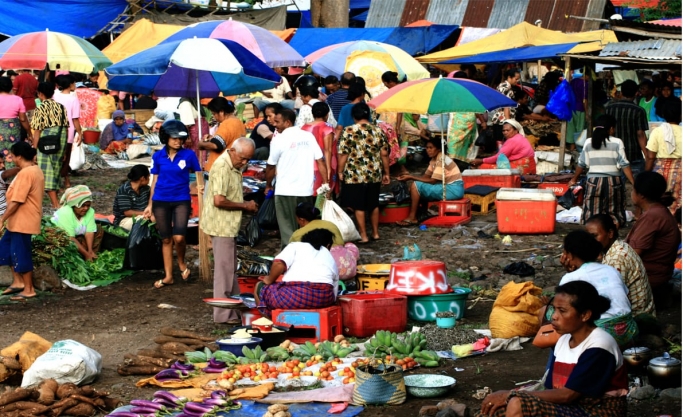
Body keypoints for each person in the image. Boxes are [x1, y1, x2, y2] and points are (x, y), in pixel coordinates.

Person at [480, 280, 627, 417]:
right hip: (573, 406)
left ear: (585, 315)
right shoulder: (563, 340)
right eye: (554, 309)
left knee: (518, 404)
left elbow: (567, 395)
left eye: (562, 311)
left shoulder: (600, 345)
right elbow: (551, 388)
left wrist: (511, 394)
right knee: (495, 409)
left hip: (598, 410)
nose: (554, 316)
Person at [201, 138, 259, 324]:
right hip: (221, 225)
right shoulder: (222, 167)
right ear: (232, 151)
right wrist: (245, 205)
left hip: (228, 225)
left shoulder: (234, 165)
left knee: (230, 269)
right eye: (242, 158)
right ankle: (223, 314)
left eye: (248, 160)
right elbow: (219, 200)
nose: (244, 163)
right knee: (224, 271)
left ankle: (232, 308)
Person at [144, 120, 202, 289]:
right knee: (166, 239)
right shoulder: (158, 156)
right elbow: (154, 180)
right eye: (174, 138)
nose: (178, 141)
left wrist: (200, 187)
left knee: (179, 237)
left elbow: (198, 174)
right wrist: (149, 204)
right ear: (166, 138)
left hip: (181, 200)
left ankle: (182, 262)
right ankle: (169, 276)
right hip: (160, 200)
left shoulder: (189, 155)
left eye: (180, 138)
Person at [558, 230, 637, 348]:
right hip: (629, 330)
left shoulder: (569, 278)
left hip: (602, 334)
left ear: (569, 254)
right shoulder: (611, 270)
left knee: (554, 314)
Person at [266, 108, 328, 249]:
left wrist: (268, 185)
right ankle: (307, 252)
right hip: (305, 190)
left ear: (287, 122)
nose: (274, 124)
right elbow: (321, 160)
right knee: (306, 227)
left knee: (287, 227)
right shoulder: (308, 136)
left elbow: (270, 166)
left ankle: (289, 256)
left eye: (277, 122)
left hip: (285, 191)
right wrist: (325, 183)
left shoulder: (279, 140)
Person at [626, 171, 680, 308]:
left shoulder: (653, 216)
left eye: (633, 189)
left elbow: (632, 255)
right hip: (658, 276)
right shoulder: (657, 212)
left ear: (641, 195)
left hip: (650, 280)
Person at [338, 103, 390, 243]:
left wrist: (340, 171)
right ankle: (375, 233)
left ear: (354, 116)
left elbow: (343, 154)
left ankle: (364, 235)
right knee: (373, 204)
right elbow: (384, 154)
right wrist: (387, 173)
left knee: (358, 205)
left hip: (354, 174)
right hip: (374, 173)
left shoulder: (348, 131)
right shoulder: (378, 130)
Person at [569, 115, 634, 227]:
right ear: (611, 128)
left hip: (593, 181)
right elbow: (624, 164)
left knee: (592, 211)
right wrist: (633, 182)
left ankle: (592, 233)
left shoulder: (589, 142)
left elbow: (581, 164)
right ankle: (612, 235)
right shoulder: (617, 142)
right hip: (613, 182)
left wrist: (574, 179)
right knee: (614, 211)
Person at [585, 214, 655, 317]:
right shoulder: (620, 246)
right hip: (643, 311)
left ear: (610, 233)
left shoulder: (616, 259)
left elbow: (613, 299)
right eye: (588, 237)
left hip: (636, 318)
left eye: (595, 236)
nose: (590, 241)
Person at [255, 228, 339, 313]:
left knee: (260, 287)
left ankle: (271, 322)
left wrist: (269, 280)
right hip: (324, 299)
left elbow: (279, 264)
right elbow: (334, 290)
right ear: (328, 245)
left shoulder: (296, 246)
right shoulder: (328, 255)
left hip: (294, 297)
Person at [0, 142, 44, 301]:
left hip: (23, 221)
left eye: (12, 155)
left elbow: (18, 200)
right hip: (16, 221)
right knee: (5, 249)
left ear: (19, 156)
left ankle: (29, 289)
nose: (11, 158)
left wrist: (2, 219)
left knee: (21, 253)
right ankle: (18, 282)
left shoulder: (27, 173)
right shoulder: (31, 170)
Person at [396, 137, 464, 226]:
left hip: (453, 189)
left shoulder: (441, 159)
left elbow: (432, 180)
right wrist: (410, 179)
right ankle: (421, 214)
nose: (428, 150)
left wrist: (411, 177)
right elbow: (425, 177)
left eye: (431, 148)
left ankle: (412, 217)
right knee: (415, 186)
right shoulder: (434, 160)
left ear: (439, 149)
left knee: (416, 185)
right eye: (427, 148)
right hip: (450, 187)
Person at [31, 82, 69, 209]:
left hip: (45, 142)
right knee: (56, 170)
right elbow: (65, 127)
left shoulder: (40, 108)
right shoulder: (61, 107)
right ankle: (56, 201)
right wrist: (64, 151)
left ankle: (55, 204)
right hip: (60, 139)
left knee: (47, 174)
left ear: (40, 94)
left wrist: (34, 151)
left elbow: (37, 131)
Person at [605, 79, 649, 177]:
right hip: (633, 155)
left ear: (621, 92)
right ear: (636, 93)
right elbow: (640, 134)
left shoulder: (609, 109)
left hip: (612, 153)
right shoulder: (638, 111)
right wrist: (646, 155)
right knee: (635, 185)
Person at [645, 98, 681, 213]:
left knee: (658, 200)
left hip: (660, 173)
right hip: (680, 172)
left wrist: (646, 174)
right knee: (678, 200)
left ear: (663, 115)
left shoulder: (657, 131)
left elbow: (651, 157)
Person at [51, 185, 101, 261]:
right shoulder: (65, 213)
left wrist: (90, 251)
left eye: (88, 205)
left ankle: (91, 255)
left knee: (99, 229)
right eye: (82, 206)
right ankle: (82, 256)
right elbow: (70, 238)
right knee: (64, 241)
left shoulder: (90, 211)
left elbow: (89, 232)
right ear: (74, 205)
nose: (86, 208)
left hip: (77, 236)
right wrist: (86, 254)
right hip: (64, 238)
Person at [471, 119, 536, 175]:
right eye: (503, 130)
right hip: (530, 168)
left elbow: (498, 158)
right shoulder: (520, 137)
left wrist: (481, 160)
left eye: (508, 130)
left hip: (522, 168)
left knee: (483, 166)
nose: (505, 133)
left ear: (516, 131)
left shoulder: (512, 140)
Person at [200, 97, 245, 173]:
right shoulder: (239, 123)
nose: (214, 117)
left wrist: (201, 144)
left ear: (221, 112)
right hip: (231, 168)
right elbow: (227, 140)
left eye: (214, 114)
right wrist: (213, 138)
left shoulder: (226, 124)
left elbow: (216, 145)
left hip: (219, 170)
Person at [53, 74, 82, 189]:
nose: (75, 85)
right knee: (66, 155)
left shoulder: (55, 96)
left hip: (54, 129)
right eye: (74, 83)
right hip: (68, 131)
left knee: (56, 155)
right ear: (69, 85)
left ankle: (59, 179)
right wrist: (80, 133)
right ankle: (65, 179)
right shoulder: (73, 99)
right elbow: (75, 118)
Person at [302, 102, 337, 195]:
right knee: (323, 196)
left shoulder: (304, 127)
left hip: (306, 164)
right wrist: (328, 170)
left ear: (312, 114)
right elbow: (327, 150)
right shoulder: (327, 128)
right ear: (327, 114)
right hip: (322, 165)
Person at [0, 76, 31, 167]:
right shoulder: (18, 99)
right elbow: (22, 119)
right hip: (13, 130)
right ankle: (11, 175)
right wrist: (29, 133)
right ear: (10, 86)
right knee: (13, 152)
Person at [113, 164, 152, 230]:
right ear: (142, 178)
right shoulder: (124, 190)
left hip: (142, 216)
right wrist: (145, 214)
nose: (149, 179)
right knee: (146, 221)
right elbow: (127, 212)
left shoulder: (146, 189)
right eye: (148, 177)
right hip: (125, 220)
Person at [487, 69, 519, 141]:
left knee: (499, 143)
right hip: (503, 121)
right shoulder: (507, 88)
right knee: (503, 143)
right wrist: (508, 122)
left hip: (498, 119)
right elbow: (506, 106)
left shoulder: (501, 85)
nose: (517, 81)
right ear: (509, 77)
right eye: (516, 79)